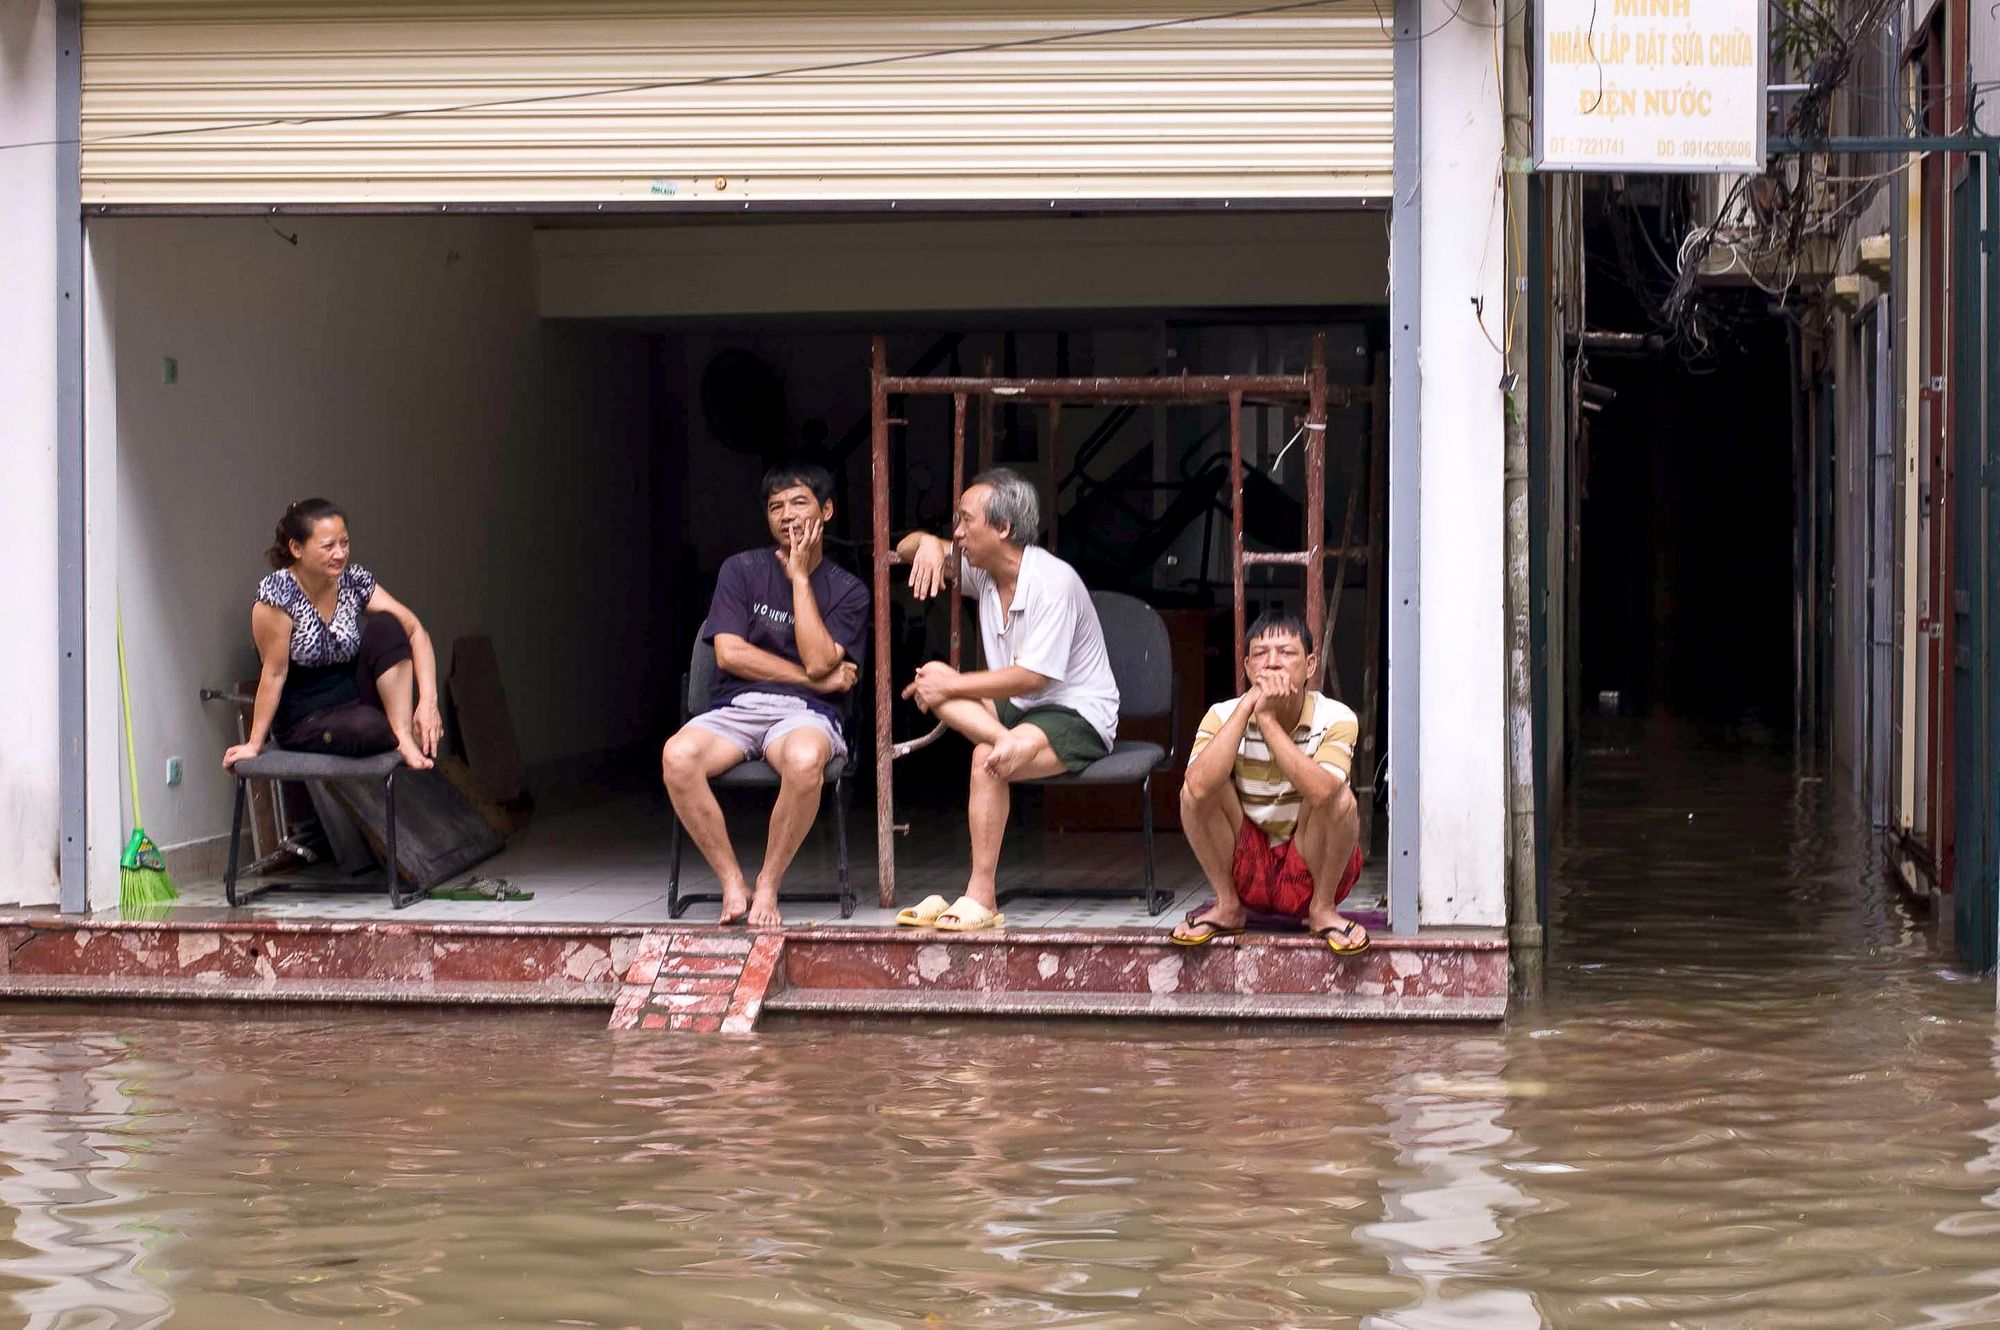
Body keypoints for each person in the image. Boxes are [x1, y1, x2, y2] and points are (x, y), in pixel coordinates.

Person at [893, 467, 1120, 932]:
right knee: (933, 684)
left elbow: (1033, 678)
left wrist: (953, 684)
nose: (957, 531)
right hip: (1018, 715)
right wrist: (933, 547)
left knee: (983, 759)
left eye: (965, 521)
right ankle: (1005, 739)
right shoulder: (982, 570)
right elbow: (903, 547)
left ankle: (981, 893)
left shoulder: (1053, 581)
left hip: (1076, 711)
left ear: (1003, 529)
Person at [661, 464, 869, 928]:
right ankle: (734, 883)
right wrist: (816, 679)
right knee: (678, 756)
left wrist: (798, 578)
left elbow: (819, 658)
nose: (786, 515)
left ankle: (769, 884)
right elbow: (731, 655)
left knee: (802, 761)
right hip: (738, 708)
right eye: (776, 507)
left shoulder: (849, 591)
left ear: (827, 511)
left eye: (799, 502)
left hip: (805, 715)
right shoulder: (742, 569)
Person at [1171, 611, 1369, 953]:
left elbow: (1324, 794)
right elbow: (1198, 788)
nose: (1273, 664)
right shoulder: (1222, 714)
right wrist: (1249, 706)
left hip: (1311, 864)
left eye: (1286, 653)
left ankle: (1322, 911)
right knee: (1197, 788)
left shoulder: (1336, 717)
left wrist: (1267, 720)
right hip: (1249, 869)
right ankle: (1228, 905)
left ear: (1309, 666)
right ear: (1248, 668)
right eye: (1261, 655)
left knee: (1340, 798)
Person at [222, 498, 442, 775]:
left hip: (354, 698)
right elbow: (274, 674)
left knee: (388, 624)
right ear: (296, 548)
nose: (340, 553)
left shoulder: (353, 581)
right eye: (328, 546)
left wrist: (427, 703)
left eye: (345, 543)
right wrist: (254, 743)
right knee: (367, 728)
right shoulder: (277, 596)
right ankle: (399, 731)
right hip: (306, 717)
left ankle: (403, 735)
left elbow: (415, 631)